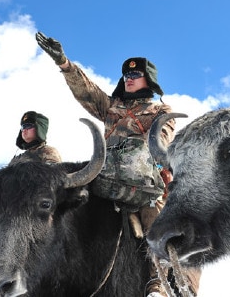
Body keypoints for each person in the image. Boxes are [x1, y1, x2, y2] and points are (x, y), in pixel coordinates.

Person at [35, 32, 201, 297]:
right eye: (126, 75)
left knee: (158, 222)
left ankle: (161, 284)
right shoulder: (112, 106)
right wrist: (64, 63)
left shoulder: (161, 111)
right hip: (105, 177)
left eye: (135, 75)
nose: (129, 79)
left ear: (148, 79)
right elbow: (87, 91)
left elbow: (162, 139)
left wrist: (147, 149)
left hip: (143, 182)